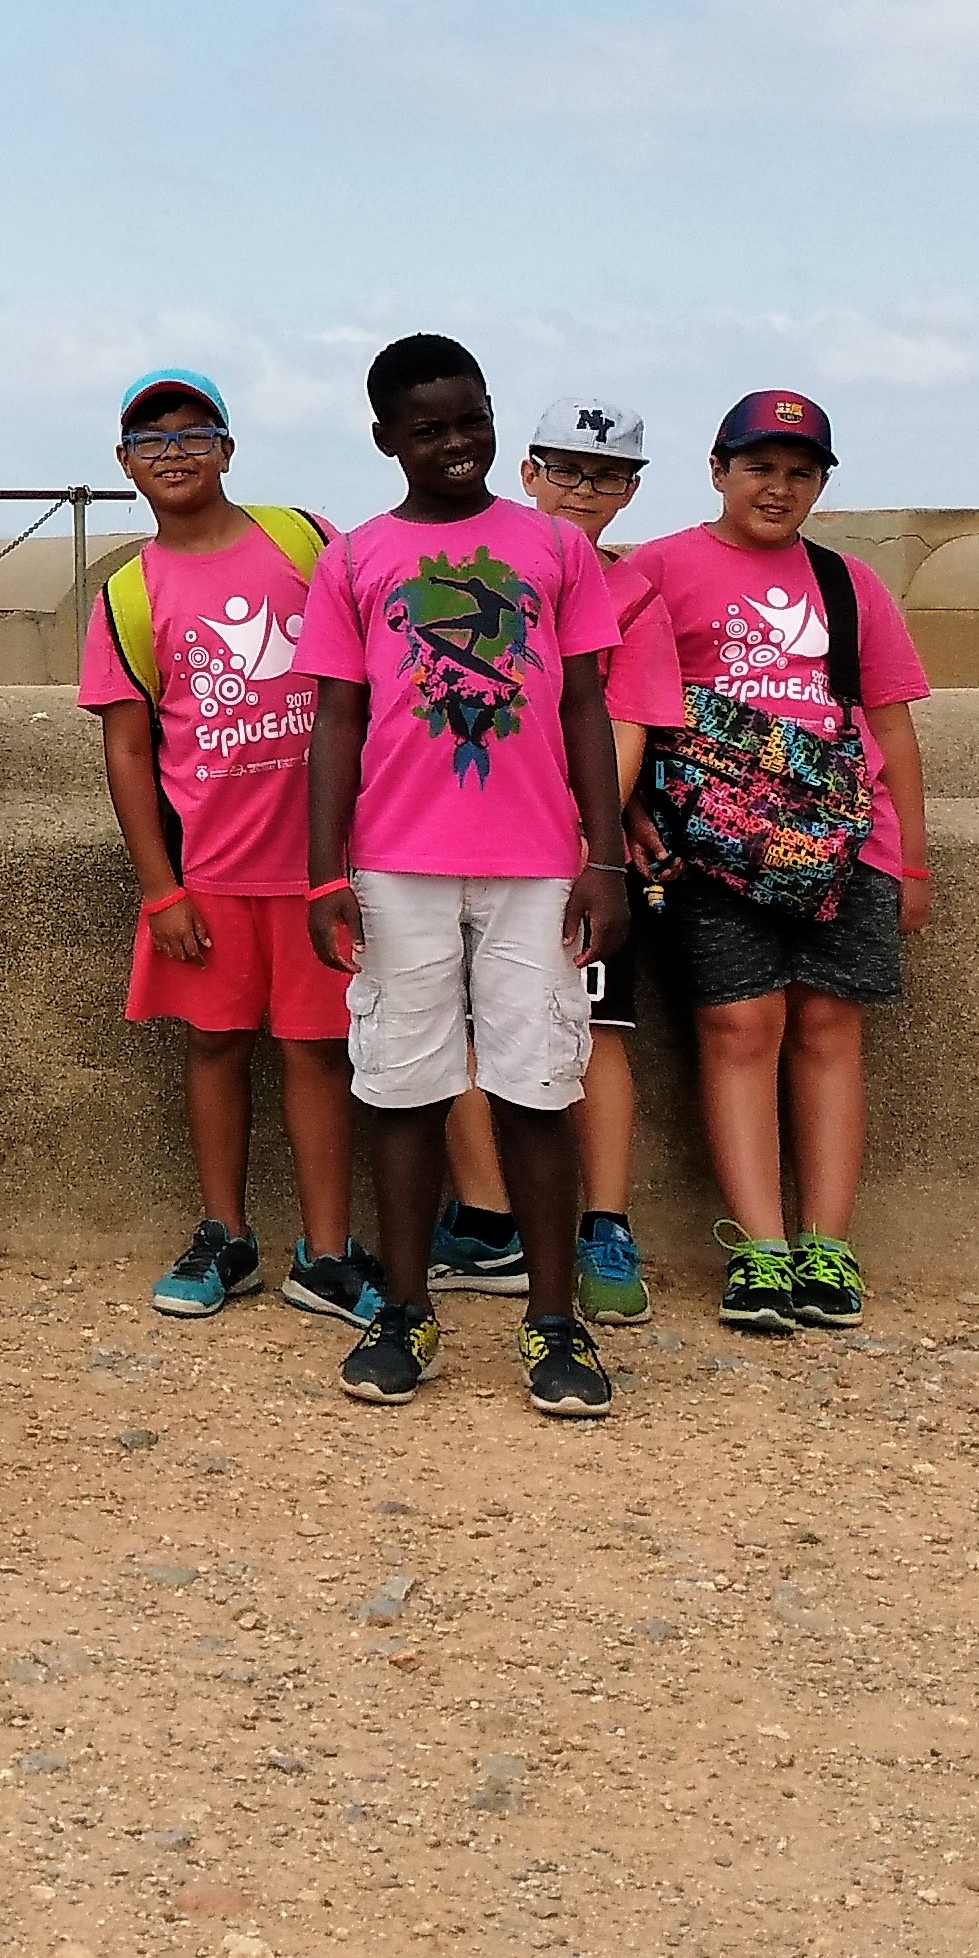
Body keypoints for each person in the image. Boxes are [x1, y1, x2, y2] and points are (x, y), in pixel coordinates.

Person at [301, 335, 631, 1423]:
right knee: (404, 1085)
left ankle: (554, 1318)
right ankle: (404, 1308)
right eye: (428, 428)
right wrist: (323, 874)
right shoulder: (356, 558)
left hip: (537, 863)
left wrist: (604, 856)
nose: (455, 443)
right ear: (386, 439)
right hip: (396, 862)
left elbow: (583, 702)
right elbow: (337, 718)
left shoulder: (555, 549)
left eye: (471, 420)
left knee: (539, 1085)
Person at [617, 391, 932, 1340]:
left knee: (830, 1026)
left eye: (801, 471)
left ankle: (826, 1245)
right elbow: (616, 701)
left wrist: (913, 862)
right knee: (738, 1025)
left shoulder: (848, 583)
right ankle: (759, 1247)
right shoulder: (658, 570)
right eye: (758, 466)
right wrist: (628, 811)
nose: (778, 487)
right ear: (718, 471)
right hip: (712, 846)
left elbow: (890, 724)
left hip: (846, 844)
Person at [72, 370, 367, 1324]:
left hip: (320, 869)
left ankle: (327, 1252)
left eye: (194, 434)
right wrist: (161, 890)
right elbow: (128, 749)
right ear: (125, 464)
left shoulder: (304, 541)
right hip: (212, 872)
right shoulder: (129, 593)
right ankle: (225, 1235)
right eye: (151, 441)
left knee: (320, 1053)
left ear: (228, 449)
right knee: (215, 1046)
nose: (174, 453)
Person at [508, 398, 680, 1323]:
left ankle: (605, 1223)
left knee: (595, 1028)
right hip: (477, 842)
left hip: (578, 850)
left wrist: (592, 838)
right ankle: (489, 1221)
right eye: (566, 469)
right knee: (469, 1030)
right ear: (528, 473)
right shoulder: (484, 570)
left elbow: (626, 725)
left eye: (607, 475)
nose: (583, 489)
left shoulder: (636, 595)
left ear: (631, 490)